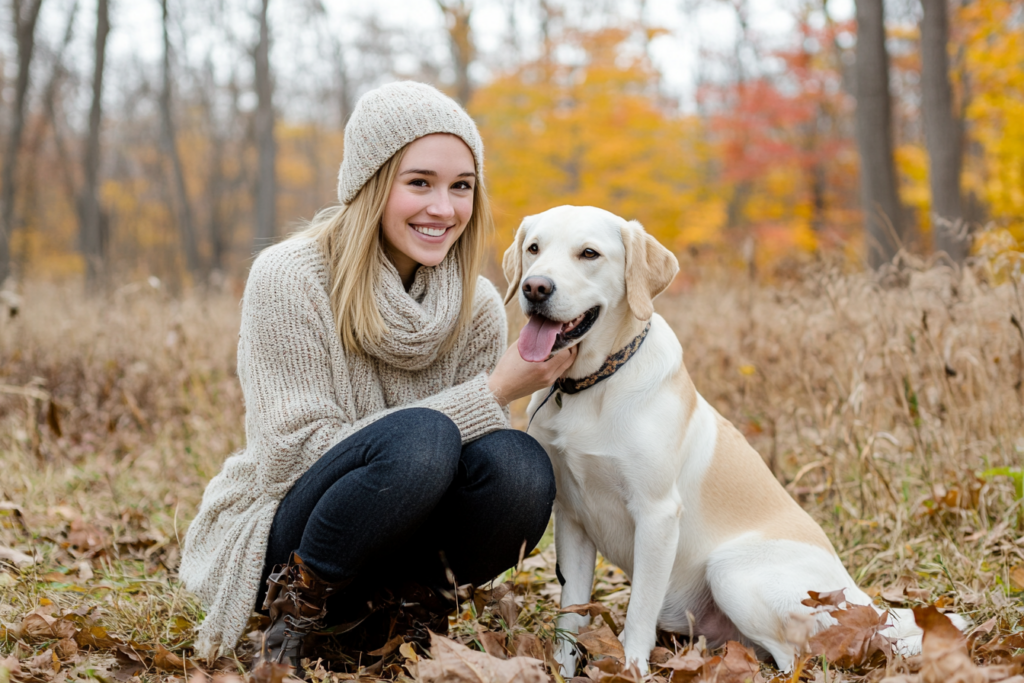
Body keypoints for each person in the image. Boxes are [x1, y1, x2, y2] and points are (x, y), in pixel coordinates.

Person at [178, 81, 576, 674]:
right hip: (290, 534)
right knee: (423, 438)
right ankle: (300, 613)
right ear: (370, 183)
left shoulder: (478, 305)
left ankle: (405, 605)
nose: (444, 208)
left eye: (461, 187)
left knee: (519, 465)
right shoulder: (290, 277)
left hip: (399, 537)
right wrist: (493, 390)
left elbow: (478, 466)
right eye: (419, 183)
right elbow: (289, 461)